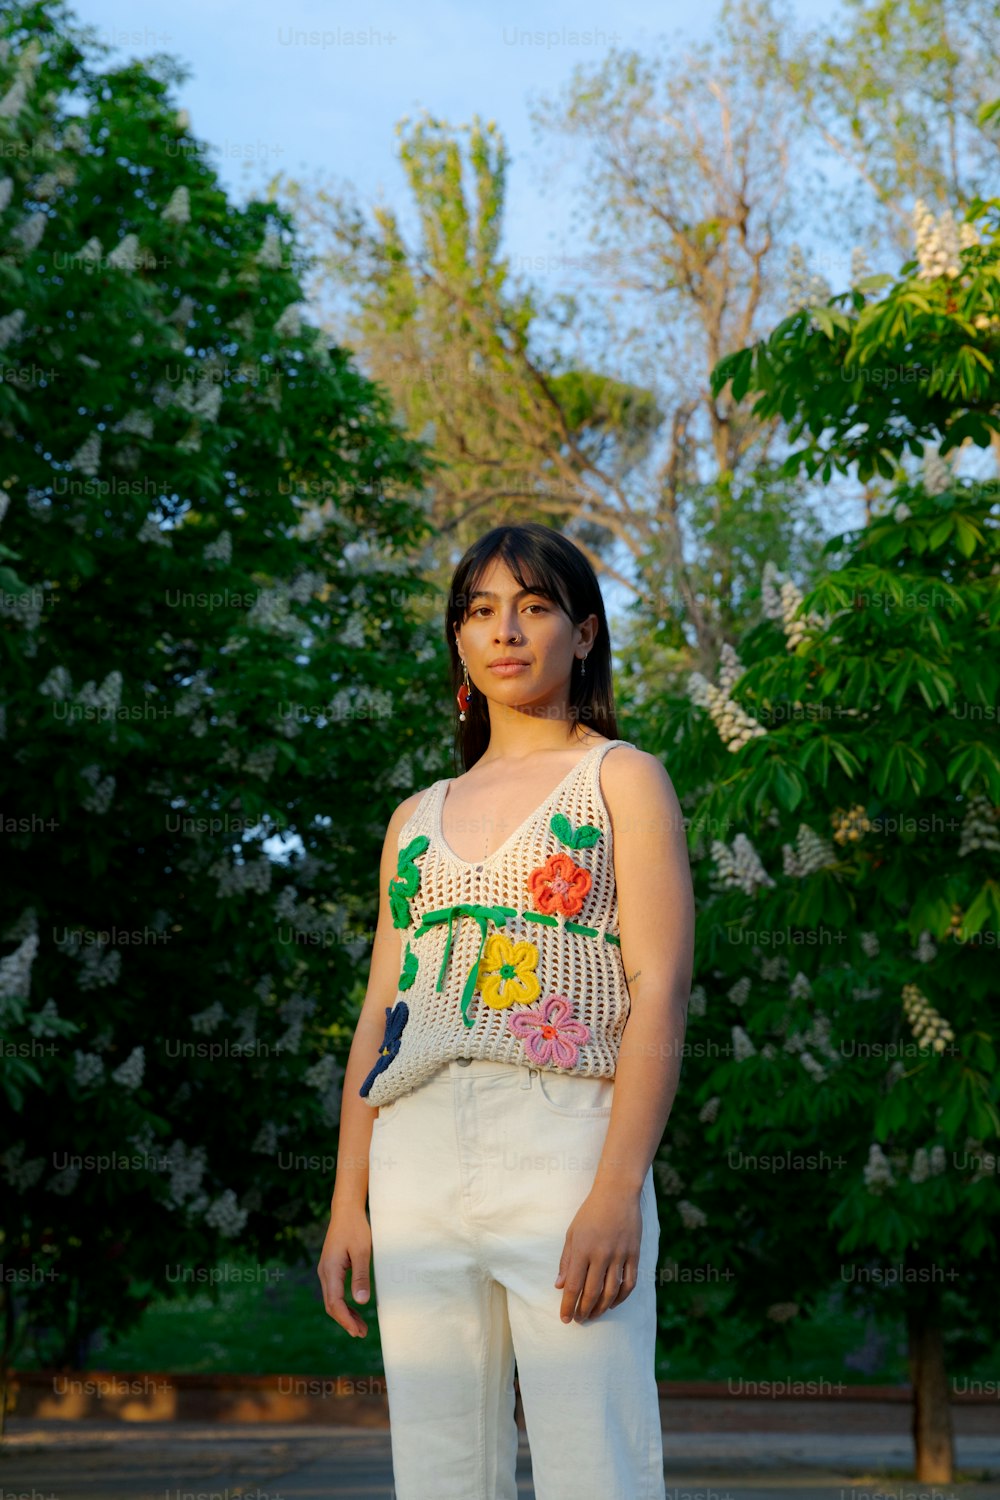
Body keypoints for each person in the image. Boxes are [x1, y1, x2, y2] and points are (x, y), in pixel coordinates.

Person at [318, 522, 694, 1500]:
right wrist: (346, 1200)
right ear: (457, 640)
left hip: (565, 1145)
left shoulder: (620, 779)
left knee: (595, 1467)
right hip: (416, 1161)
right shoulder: (415, 816)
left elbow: (659, 985)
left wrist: (617, 1191)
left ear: (584, 632)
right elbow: (381, 1014)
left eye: (533, 607)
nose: (507, 631)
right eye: (480, 610)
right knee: (440, 1474)